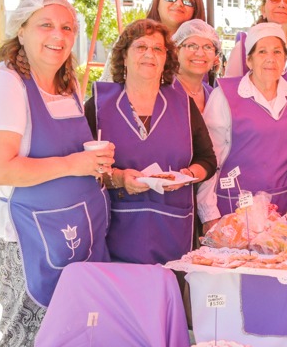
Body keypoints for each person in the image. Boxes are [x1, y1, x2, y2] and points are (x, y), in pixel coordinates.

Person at [0, 0, 112, 347]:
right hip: (30, 238)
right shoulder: (3, 84)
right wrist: (74, 164)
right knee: (29, 345)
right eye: (46, 25)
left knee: (77, 338)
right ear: (21, 30)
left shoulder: (67, 84)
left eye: (67, 27)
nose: (58, 36)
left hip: (76, 233)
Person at [87, 19, 217, 264]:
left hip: (173, 229)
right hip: (116, 230)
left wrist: (188, 175)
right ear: (124, 57)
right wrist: (119, 178)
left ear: (166, 59)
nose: (150, 54)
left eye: (158, 48)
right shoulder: (99, 106)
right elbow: (83, 167)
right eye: (141, 47)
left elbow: (208, 160)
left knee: (170, 287)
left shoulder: (183, 104)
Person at [200, 23, 287, 219]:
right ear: (249, 60)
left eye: (277, 52)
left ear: (285, 59)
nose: (271, 58)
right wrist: (208, 213)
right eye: (262, 52)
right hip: (237, 208)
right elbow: (210, 158)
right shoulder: (224, 96)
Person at [100, 0, 206, 81]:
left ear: (196, 8)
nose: (178, 3)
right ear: (158, 0)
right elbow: (109, 80)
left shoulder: (205, 48)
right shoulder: (133, 36)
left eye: (187, 0)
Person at [172, 19, 223, 113]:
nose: (200, 53)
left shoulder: (214, 95)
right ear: (176, 51)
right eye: (191, 46)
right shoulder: (162, 92)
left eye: (208, 47)